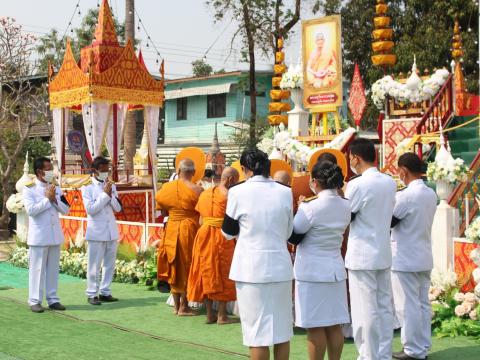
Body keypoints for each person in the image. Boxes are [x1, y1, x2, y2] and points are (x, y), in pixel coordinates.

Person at [222, 149, 294, 360]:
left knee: (257, 334)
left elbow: (227, 232)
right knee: (281, 332)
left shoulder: (237, 191)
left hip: (250, 270)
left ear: (245, 169)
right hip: (280, 267)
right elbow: (289, 231)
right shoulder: (284, 191)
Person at [289, 161, 351, 360]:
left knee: (315, 326)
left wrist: (300, 208)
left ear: (315, 181)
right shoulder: (345, 205)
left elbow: (294, 234)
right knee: (334, 325)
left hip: (311, 272)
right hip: (334, 269)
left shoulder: (310, 207)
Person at [345, 138, 397, 360]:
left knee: (364, 309)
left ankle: (368, 355)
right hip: (382, 251)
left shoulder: (357, 184)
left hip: (362, 254)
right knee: (383, 307)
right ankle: (382, 354)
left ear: (356, 158)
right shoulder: (389, 181)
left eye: (350, 158)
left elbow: (346, 215)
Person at [390, 153, 437, 360]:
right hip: (423, 254)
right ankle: (422, 346)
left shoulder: (406, 195)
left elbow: (389, 221)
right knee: (422, 303)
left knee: (407, 305)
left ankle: (412, 349)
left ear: (403, 171)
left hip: (405, 257)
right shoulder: (430, 193)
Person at [187, 167, 240, 324]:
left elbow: (201, 219)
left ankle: (210, 314)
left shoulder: (205, 193)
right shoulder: (229, 195)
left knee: (206, 272)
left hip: (203, 235)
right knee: (223, 272)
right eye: (235, 181)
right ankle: (222, 315)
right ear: (230, 180)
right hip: (221, 235)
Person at [156, 158, 203, 316]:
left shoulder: (166, 188)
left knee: (173, 263)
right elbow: (201, 213)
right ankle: (184, 306)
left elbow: (163, 212)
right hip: (188, 229)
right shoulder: (197, 190)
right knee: (187, 265)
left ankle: (177, 307)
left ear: (178, 171)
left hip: (171, 227)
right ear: (193, 173)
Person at [23, 157, 70, 313]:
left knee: (52, 269)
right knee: (37, 270)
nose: (51, 172)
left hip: (54, 235)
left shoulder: (56, 187)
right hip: (39, 236)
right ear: (39, 172)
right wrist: (46, 199)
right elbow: (31, 211)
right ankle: (34, 300)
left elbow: (66, 209)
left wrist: (54, 199)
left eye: (52, 168)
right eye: (48, 169)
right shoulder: (29, 188)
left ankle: (53, 299)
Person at [81, 156, 122, 306]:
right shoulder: (87, 187)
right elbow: (91, 209)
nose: (106, 173)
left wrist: (109, 194)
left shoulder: (111, 185)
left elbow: (118, 208)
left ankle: (105, 291)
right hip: (96, 231)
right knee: (94, 264)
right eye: (103, 170)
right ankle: (92, 293)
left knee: (109, 264)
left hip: (111, 230)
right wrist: (105, 195)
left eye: (107, 170)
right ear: (95, 171)